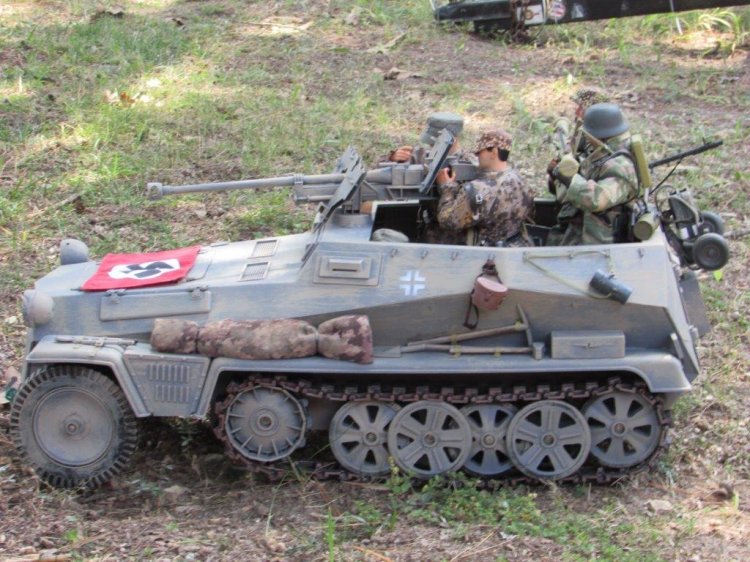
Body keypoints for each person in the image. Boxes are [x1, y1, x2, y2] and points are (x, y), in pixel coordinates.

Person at [550, 103, 639, 246]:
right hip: (582, 230)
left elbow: (596, 199)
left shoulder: (622, 166)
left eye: (588, 136)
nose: (587, 140)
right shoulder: (602, 152)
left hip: (603, 244)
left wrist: (569, 179)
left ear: (601, 136)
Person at [430, 129, 534, 247]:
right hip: (517, 246)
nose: (476, 155)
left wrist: (446, 187)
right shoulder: (522, 180)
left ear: (494, 152)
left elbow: (448, 222)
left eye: (479, 151)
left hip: (484, 254)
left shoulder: (477, 189)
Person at [548, 87, 610, 194]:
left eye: (581, 108)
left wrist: (568, 177)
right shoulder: (586, 135)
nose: (576, 112)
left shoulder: (606, 147)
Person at [384, 112, 478, 166]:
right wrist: (393, 158)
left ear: (452, 139)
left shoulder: (468, 162)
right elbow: (380, 168)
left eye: (434, 142)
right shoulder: (422, 155)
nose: (430, 145)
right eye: (430, 142)